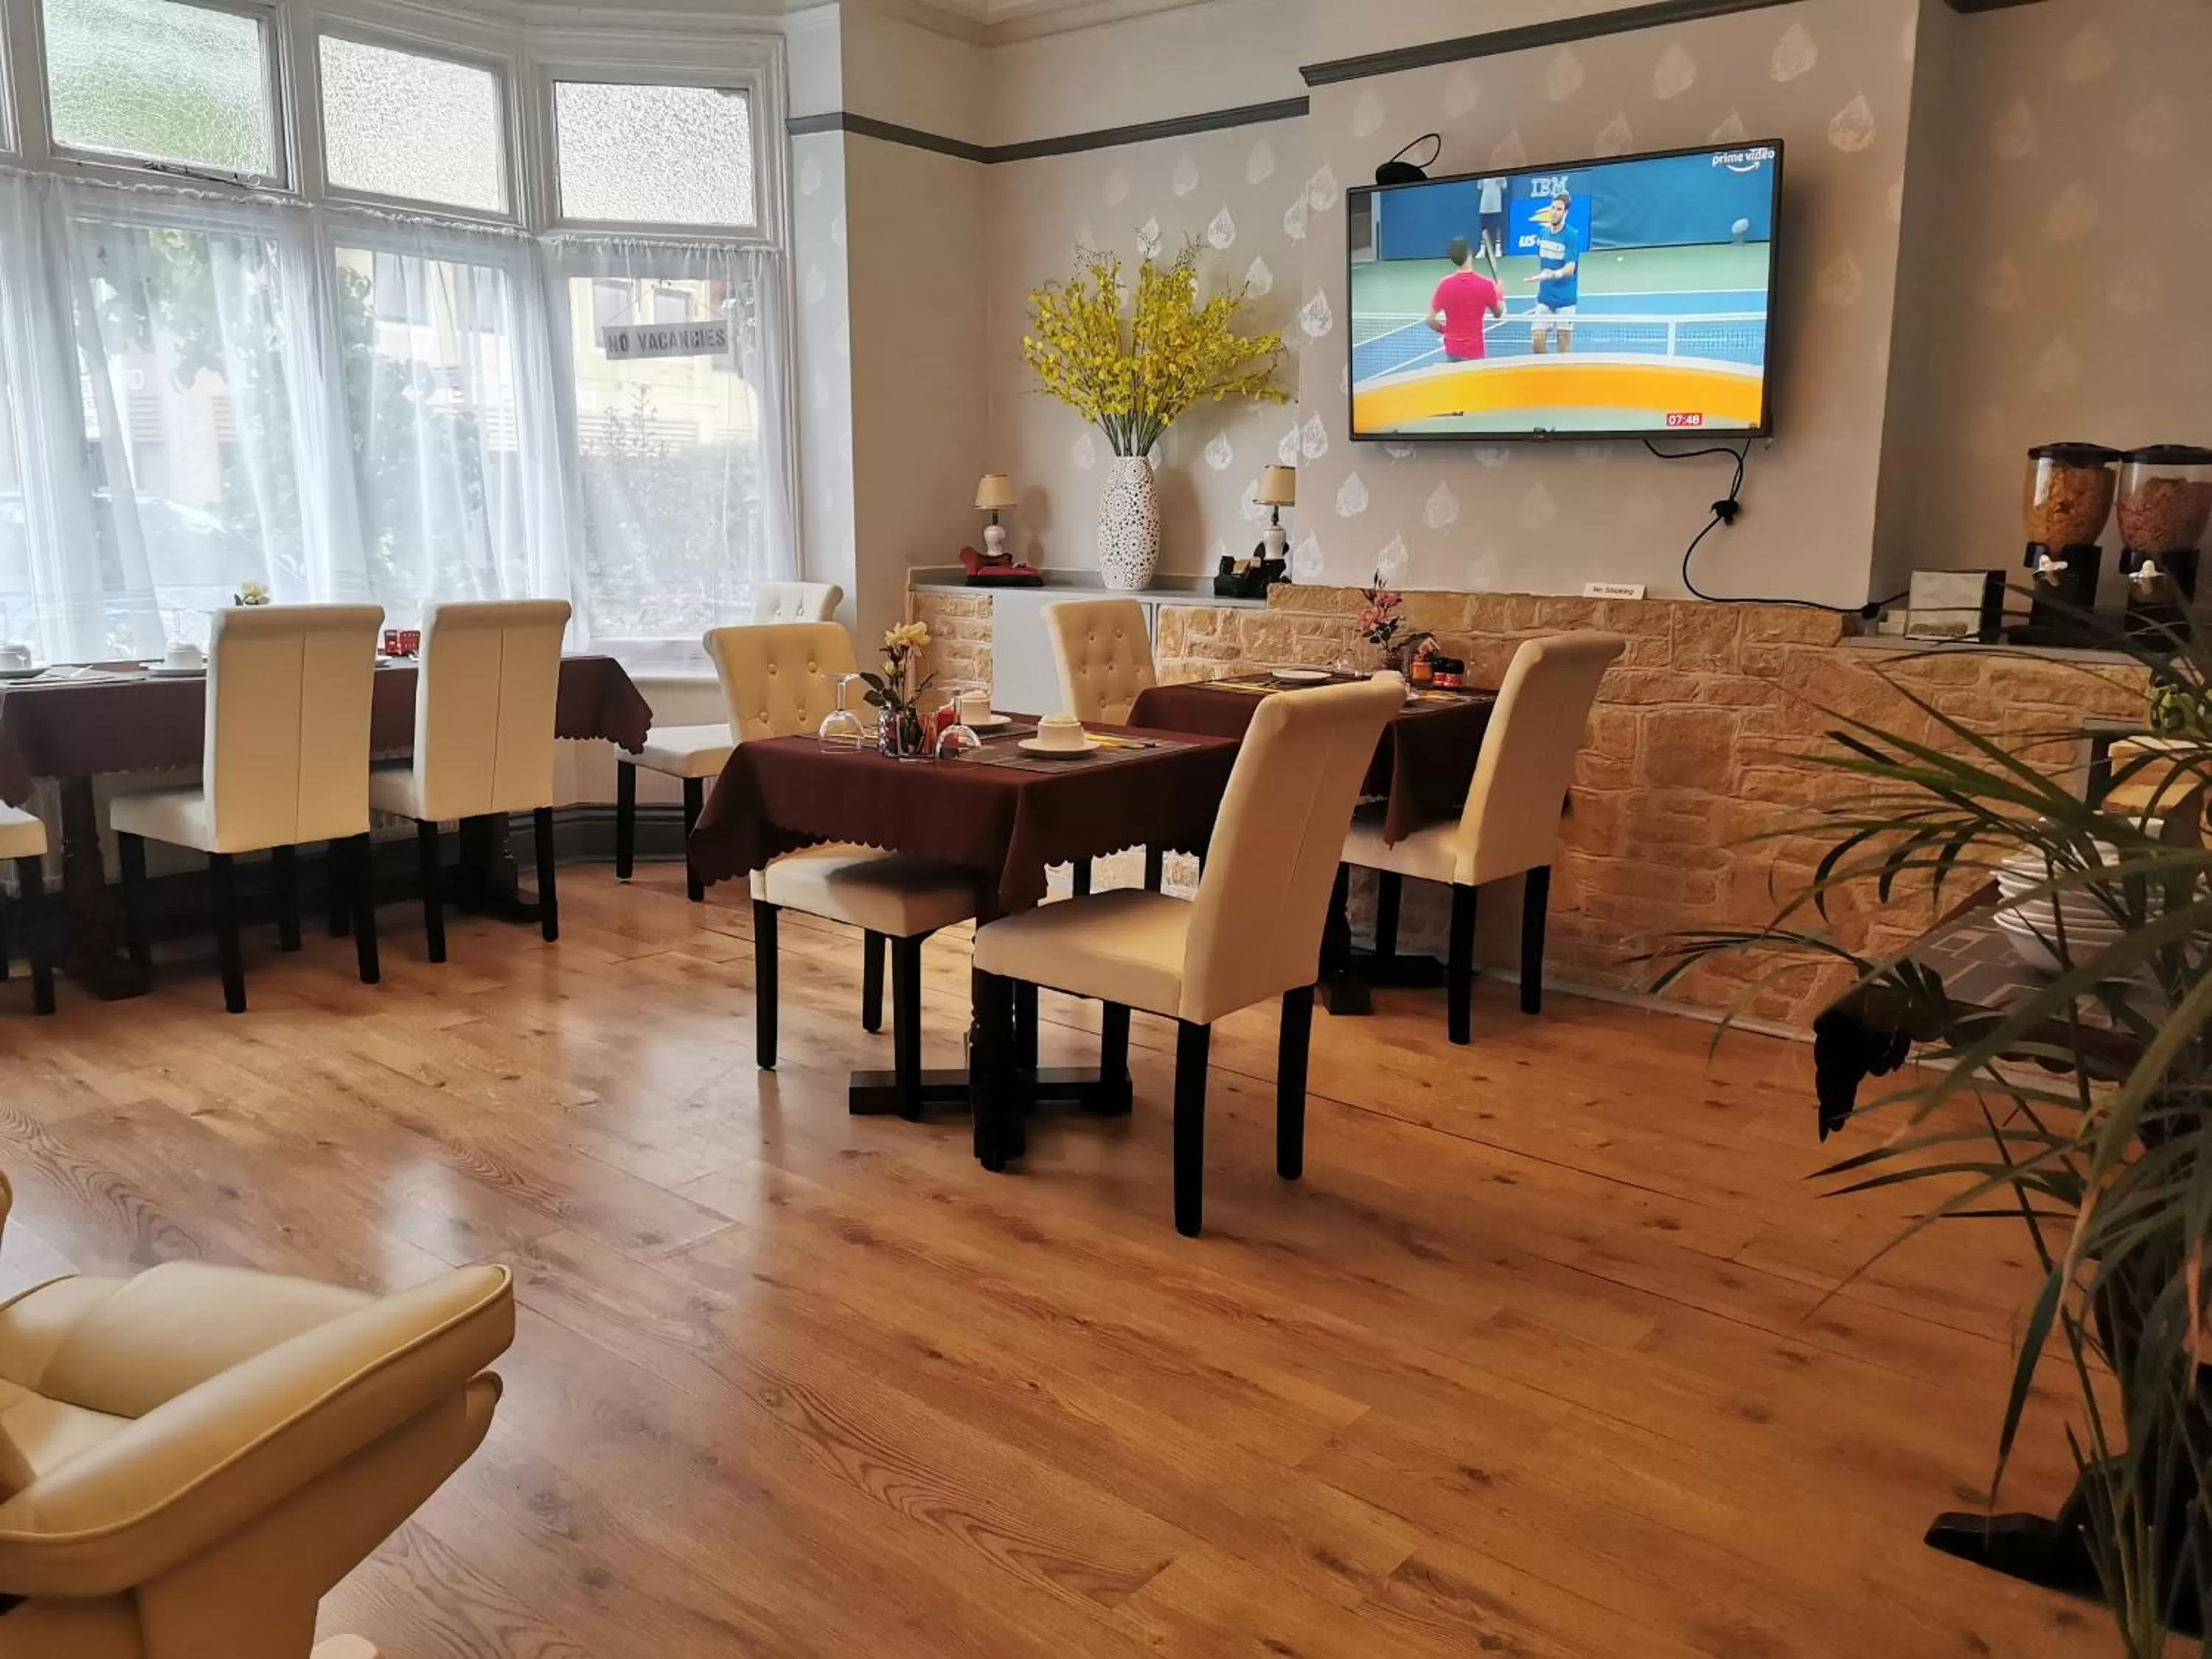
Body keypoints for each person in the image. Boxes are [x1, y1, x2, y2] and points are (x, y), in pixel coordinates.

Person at [1426, 236, 1506, 363]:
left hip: (1452, 351)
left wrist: (1446, 331)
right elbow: (1498, 313)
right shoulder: (1486, 285)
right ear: (1469, 253)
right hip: (1475, 353)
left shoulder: (1444, 285)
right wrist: (1499, 294)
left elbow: (1430, 320)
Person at [1524, 192, 1583, 355]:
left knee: (1563, 346)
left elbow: (1570, 268)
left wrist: (1552, 275)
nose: (1555, 212)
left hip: (1566, 299)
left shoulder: (1572, 236)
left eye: (1559, 209)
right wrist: (1540, 276)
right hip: (1545, 298)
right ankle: (1544, 372)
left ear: (1566, 213)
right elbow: (1545, 263)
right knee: (1537, 341)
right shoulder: (1543, 233)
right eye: (1553, 208)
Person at [1477, 176, 1508, 262]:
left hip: (1496, 206)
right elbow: (1480, 188)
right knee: (1484, 228)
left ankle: (1498, 249)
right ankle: (1483, 250)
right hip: (1484, 206)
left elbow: (1504, 188)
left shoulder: (1501, 175)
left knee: (1498, 227)